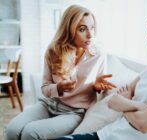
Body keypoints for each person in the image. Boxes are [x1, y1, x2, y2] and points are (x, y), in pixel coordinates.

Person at [55, 10, 147, 140]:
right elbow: (113, 101)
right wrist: (141, 106)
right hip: (104, 135)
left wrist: (124, 105)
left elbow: (145, 124)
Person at [6, 5, 116, 140]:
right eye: (82, 29)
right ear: (69, 29)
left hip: (74, 113)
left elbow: (100, 86)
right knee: (12, 129)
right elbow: (45, 88)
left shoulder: (98, 54)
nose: (90, 34)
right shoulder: (53, 50)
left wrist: (96, 86)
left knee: (30, 133)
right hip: (48, 104)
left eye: (92, 27)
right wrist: (58, 87)